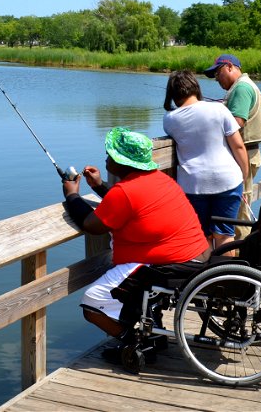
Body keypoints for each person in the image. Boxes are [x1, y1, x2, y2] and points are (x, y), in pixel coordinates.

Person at [61, 127, 211, 359]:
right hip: (195, 255)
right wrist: (100, 187)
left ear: (124, 163)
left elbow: (91, 224)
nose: (106, 158)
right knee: (132, 289)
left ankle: (138, 345)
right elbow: (131, 203)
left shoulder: (125, 191)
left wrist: (72, 194)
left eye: (111, 155)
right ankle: (151, 335)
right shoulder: (160, 179)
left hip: (167, 263)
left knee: (92, 303)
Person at [162, 70, 249, 250]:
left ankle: (204, 277)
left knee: (200, 235)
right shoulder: (218, 109)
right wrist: (244, 176)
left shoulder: (169, 119)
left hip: (193, 184)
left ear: (172, 94)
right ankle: (224, 276)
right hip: (229, 180)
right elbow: (238, 146)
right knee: (225, 235)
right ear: (195, 88)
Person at [203, 54, 261, 240]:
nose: (216, 79)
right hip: (248, 154)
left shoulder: (241, 88)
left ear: (229, 66)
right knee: (240, 205)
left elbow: (237, 121)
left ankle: (242, 257)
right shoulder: (246, 86)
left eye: (218, 73)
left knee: (239, 209)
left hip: (243, 155)